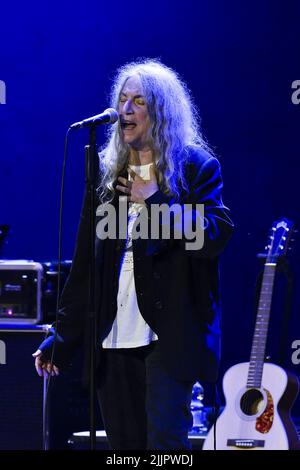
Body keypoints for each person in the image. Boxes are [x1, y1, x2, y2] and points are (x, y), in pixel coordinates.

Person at [33, 59, 234, 450]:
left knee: (164, 448)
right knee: (125, 449)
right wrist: (62, 336)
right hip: (114, 336)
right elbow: (86, 268)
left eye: (138, 101)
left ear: (160, 111)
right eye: (122, 99)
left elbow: (212, 238)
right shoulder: (110, 178)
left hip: (168, 339)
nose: (125, 109)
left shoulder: (195, 169)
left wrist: (156, 201)